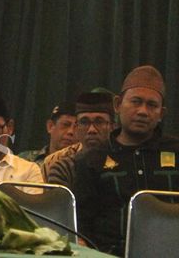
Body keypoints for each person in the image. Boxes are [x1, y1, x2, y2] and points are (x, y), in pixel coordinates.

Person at [72, 65, 179, 255]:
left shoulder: (176, 151)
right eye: (136, 102)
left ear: (161, 114)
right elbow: (81, 224)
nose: (143, 111)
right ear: (117, 105)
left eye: (152, 105)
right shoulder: (91, 160)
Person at [43, 91, 114, 186]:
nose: (91, 130)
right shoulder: (63, 167)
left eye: (99, 122)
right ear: (77, 128)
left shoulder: (128, 161)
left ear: (112, 127)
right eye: (84, 122)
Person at [18, 102, 76, 166]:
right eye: (65, 125)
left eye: (76, 127)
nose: (71, 131)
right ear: (50, 126)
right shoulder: (25, 160)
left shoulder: (83, 167)